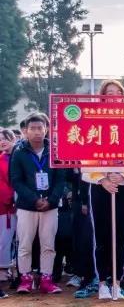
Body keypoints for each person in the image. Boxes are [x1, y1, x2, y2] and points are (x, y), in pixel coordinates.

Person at [83, 79, 124, 300]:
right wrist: (103, 178)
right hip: (100, 186)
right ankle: (103, 282)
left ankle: (117, 282)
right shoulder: (92, 122)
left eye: (118, 92)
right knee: (102, 236)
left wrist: (122, 175)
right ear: (102, 97)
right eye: (109, 93)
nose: (114, 96)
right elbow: (84, 159)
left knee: (121, 235)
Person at [10, 113, 68, 294]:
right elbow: (16, 180)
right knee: (25, 244)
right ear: (25, 131)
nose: (36, 132)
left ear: (47, 129)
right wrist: (34, 199)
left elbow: (61, 180)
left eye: (40, 128)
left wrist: (50, 200)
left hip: (50, 207)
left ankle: (46, 280)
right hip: (27, 206)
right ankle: (25, 280)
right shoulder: (19, 152)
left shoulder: (55, 151)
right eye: (32, 129)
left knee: (48, 245)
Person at [0, 129, 16, 289]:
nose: (3, 142)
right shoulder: (0, 160)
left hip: (24, 203)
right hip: (6, 206)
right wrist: (10, 199)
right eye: (0, 140)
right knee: (5, 239)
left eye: (5, 138)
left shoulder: (20, 156)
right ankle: (3, 269)